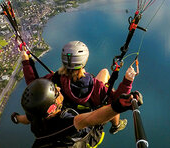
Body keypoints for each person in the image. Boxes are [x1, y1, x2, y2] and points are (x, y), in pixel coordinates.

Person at [20, 40, 136, 135]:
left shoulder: (52, 80)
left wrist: (26, 61)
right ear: (84, 62)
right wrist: (127, 81)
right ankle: (116, 125)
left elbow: (34, 85)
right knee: (108, 90)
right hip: (88, 117)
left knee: (105, 73)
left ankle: (116, 125)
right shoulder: (94, 86)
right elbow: (117, 100)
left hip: (69, 111)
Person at [13, 78, 143, 148]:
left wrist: (16, 118)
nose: (58, 88)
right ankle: (116, 126)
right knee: (107, 100)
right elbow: (91, 118)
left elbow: (27, 119)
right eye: (56, 93)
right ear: (52, 108)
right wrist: (118, 106)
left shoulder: (37, 115)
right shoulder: (63, 122)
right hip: (88, 138)